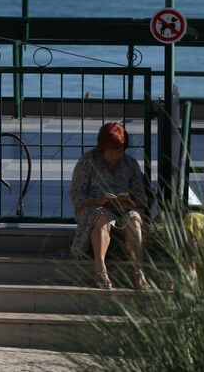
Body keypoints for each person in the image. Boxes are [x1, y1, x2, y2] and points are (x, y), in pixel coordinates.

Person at [69, 122, 150, 290]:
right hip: (95, 208)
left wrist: (129, 203)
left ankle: (138, 271)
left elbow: (141, 197)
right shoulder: (88, 161)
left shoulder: (130, 164)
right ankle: (101, 270)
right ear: (102, 148)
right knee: (102, 217)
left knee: (134, 220)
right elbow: (76, 195)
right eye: (111, 150)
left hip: (123, 210)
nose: (115, 154)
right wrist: (98, 200)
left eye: (119, 150)